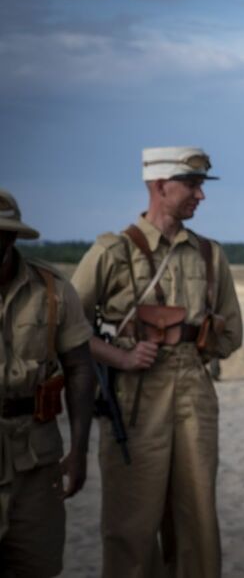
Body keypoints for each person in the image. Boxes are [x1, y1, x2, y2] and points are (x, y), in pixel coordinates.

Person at [72, 147, 243, 578]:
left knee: (198, 518)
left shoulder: (209, 255)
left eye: (201, 185)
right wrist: (120, 357)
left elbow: (233, 333)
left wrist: (203, 340)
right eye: (192, 184)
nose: (200, 196)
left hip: (193, 390)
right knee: (131, 523)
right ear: (158, 185)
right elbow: (66, 329)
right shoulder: (112, 252)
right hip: (134, 397)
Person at [0, 189, 94, 577]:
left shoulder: (52, 290)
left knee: (36, 565)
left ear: (12, 238)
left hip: (35, 461)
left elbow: (80, 368)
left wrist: (79, 449)